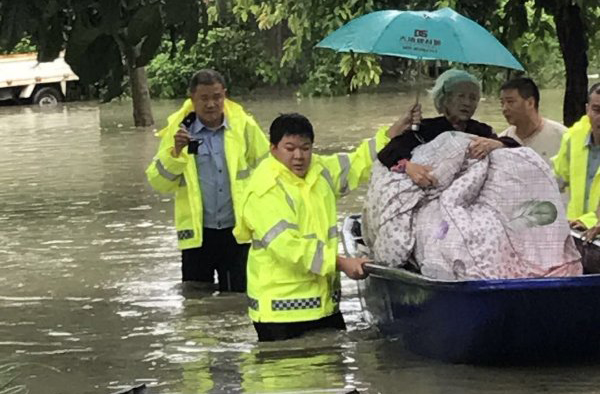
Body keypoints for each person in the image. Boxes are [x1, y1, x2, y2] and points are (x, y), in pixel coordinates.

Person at [238, 111, 410, 342]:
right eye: (290, 149)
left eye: (306, 148)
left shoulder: (320, 171)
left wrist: (391, 134)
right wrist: (341, 263)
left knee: (332, 374)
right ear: (273, 149)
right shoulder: (264, 189)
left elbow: (358, 163)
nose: (299, 156)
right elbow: (291, 248)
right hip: (279, 313)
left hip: (323, 305)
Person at [146, 68, 269, 291]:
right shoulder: (179, 131)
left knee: (237, 301)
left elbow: (269, 167)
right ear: (192, 98)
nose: (211, 104)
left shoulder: (243, 126)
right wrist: (175, 153)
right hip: (198, 235)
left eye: (217, 97)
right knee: (195, 306)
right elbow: (158, 183)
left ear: (225, 95)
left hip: (237, 232)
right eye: (204, 98)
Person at [377, 68, 518, 185]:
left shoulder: (482, 130)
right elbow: (387, 152)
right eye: (461, 96)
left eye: (473, 98)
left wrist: (496, 144)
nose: (467, 103)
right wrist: (408, 167)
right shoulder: (425, 129)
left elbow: (514, 148)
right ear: (445, 100)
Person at [553, 82, 600, 239]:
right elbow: (556, 180)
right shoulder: (573, 138)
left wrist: (589, 220)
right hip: (574, 231)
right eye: (597, 110)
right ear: (587, 109)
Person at [498, 77, 566, 166]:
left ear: (530, 103)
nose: (504, 109)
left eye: (510, 102)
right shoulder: (502, 141)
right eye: (502, 103)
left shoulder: (562, 136)